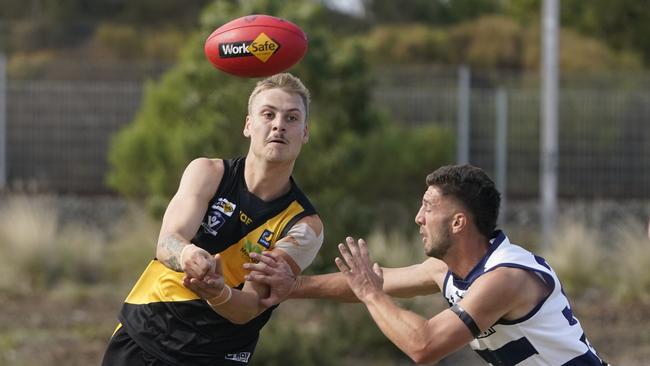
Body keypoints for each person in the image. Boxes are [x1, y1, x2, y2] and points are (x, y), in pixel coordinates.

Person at [246, 165, 609, 365]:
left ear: (458, 223)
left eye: (428, 207)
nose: (418, 218)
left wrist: (371, 296)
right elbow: (377, 279)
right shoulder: (448, 271)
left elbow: (424, 346)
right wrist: (293, 287)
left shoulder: (505, 279)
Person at [101, 73, 324, 366]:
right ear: (248, 124)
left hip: (217, 354)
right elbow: (168, 241)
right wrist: (188, 253)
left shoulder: (303, 226)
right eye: (268, 114)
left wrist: (218, 292)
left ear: (305, 133)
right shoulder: (208, 173)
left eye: (292, 118)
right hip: (148, 330)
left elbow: (250, 307)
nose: (279, 124)